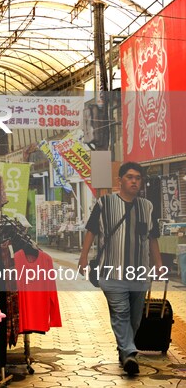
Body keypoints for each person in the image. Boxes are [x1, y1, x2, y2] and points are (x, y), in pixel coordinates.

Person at [78, 161, 163, 376]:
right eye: (130, 177)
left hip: (139, 272)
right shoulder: (104, 203)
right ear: (120, 180)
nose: (134, 181)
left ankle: (125, 351)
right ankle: (129, 354)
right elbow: (91, 230)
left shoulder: (148, 206)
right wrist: (83, 257)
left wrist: (159, 264)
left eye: (138, 178)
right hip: (111, 271)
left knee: (134, 318)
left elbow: (152, 238)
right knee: (121, 313)